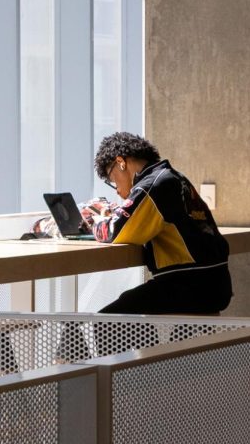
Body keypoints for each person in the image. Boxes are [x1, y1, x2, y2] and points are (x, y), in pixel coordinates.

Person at [85, 132, 232, 316]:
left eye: (113, 180)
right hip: (215, 282)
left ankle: (147, 347)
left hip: (189, 284)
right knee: (135, 305)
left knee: (109, 322)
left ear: (121, 162)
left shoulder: (151, 186)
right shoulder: (174, 178)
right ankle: (151, 347)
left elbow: (116, 231)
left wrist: (95, 221)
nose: (119, 192)